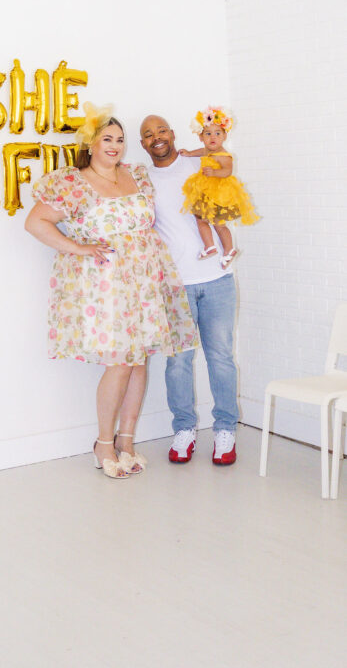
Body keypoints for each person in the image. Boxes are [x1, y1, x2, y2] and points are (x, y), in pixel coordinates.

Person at [24, 103, 197, 480]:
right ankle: (103, 443)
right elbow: (35, 222)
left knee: (138, 361)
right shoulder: (73, 181)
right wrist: (81, 247)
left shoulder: (135, 174)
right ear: (92, 142)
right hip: (106, 284)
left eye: (120, 139)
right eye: (108, 139)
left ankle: (128, 440)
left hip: (144, 281)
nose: (115, 146)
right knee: (119, 362)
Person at [139, 114, 240, 465]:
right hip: (174, 286)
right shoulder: (140, 178)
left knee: (221, 359)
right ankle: (184, 429)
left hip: (217, 281)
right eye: (148, 135)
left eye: (161, 130)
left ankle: (225, 429)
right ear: (143, 144)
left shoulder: (198, 162)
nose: (157, 138)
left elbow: (226, 162)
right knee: (178, 364)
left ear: (172, 134)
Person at [179, 105, 258, 269]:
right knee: (200, 219)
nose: (212, 137)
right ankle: (210, 246)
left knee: (219, 224)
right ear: (201, 137)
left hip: (219, 193)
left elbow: (228, 171)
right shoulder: (208, 149)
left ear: (224, 136)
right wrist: (189, 153)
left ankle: (229, 249)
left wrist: (214, 172)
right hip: (206, 191)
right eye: (207, 134)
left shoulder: (224, 154)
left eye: (217, 133)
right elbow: (202, 151)